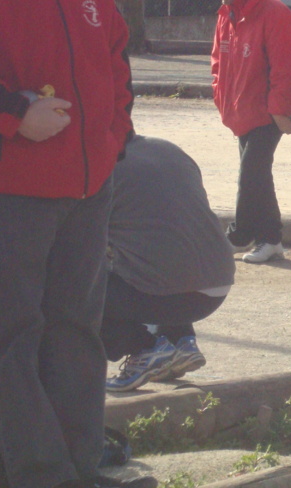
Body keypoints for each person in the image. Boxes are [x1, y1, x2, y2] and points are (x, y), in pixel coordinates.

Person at [0, 0, 149, 488]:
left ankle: (78, 467)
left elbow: (115, 59)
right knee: (9, 339)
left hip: (88, 185)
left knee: (78, 334)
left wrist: (114, 139)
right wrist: (13, 114)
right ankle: (37, 474)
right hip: (9, 186)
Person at [103, 134, 236, 392]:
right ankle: (180, 340)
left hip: (169, 296)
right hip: (219, 284)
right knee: (161, 251)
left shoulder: (102, 165)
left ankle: (144, 348)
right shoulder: (167, 149)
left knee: (68, 291)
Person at [209, 0, 291, 264]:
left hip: (267, 112)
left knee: (250, 174)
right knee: (259, 176)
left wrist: (279, 111)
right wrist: (221, 99)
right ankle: (271, 239)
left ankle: (239, 234)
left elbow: (286, 69)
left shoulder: (275, 14)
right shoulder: (226, 13)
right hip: (240, 109)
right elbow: (217, 62)